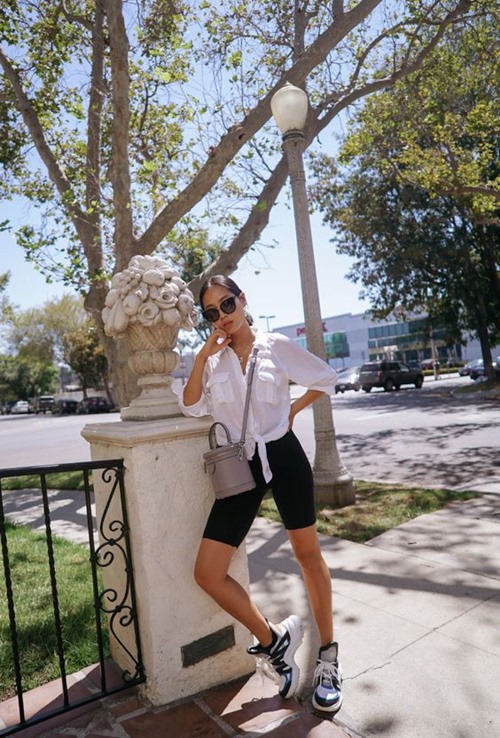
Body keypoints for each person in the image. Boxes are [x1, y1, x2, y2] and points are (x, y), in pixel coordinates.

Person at [179, 274, 342, 714]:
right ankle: (274, 639)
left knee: (308, 556)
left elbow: (325, 377)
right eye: (211, 313)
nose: (222, 316)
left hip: (284, 455)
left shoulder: (275, 346)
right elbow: (191, 405)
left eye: (227, 304)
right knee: (207, 573)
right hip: (241, 465)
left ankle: (328, 657)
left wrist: (294, 409)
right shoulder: (213, 362)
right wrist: (202, 356)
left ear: (242, 299)